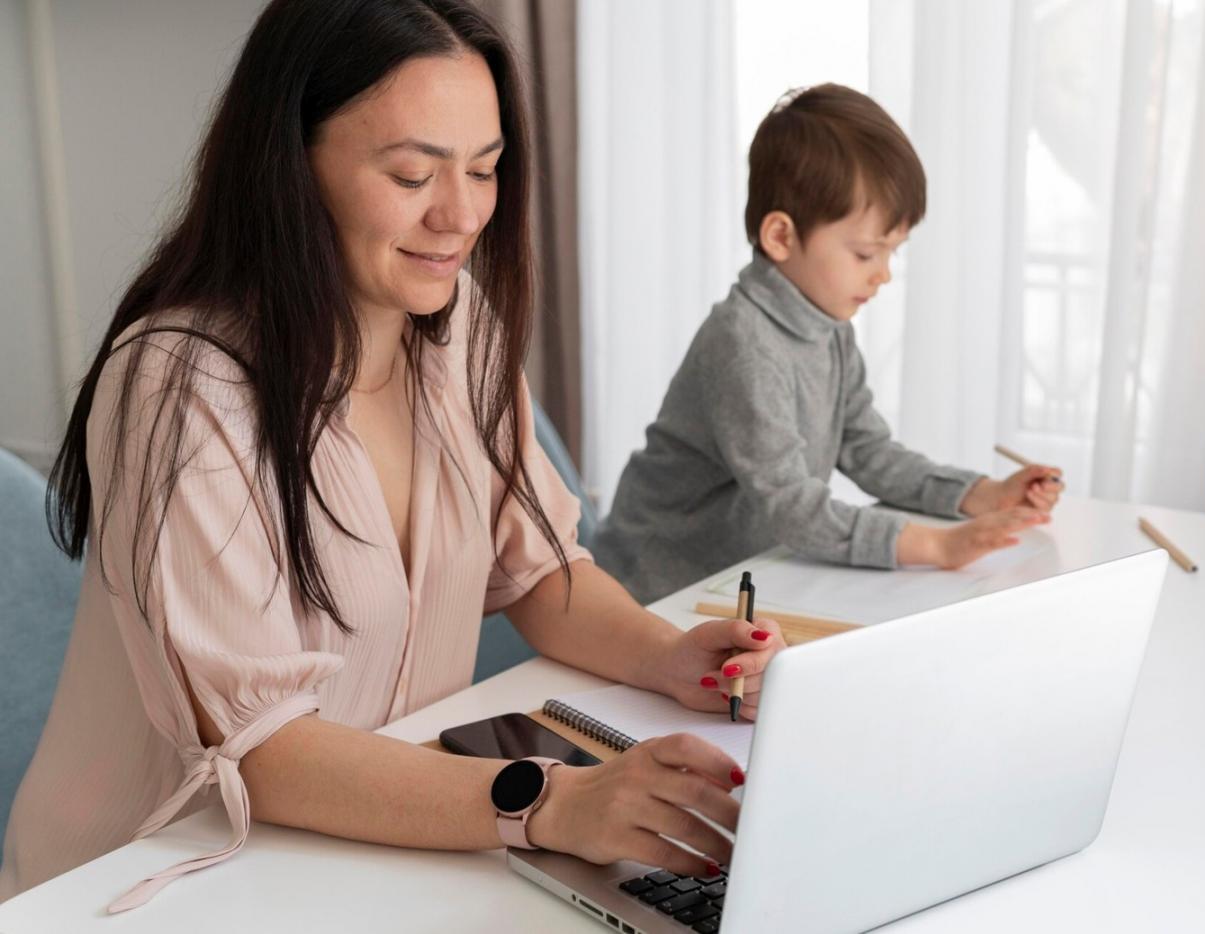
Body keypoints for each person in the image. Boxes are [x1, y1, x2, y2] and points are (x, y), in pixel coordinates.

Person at [0, 0, 784, 910]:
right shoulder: (183, 385)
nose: (461, 214)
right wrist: (554, 803)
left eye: (484, 169)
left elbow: (538, 569)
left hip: (369, 846)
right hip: (148, 883)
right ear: (291, 164)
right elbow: (263, 749)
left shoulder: (459, 330)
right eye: (413, 173)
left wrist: (671, 658)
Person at [594, 84, 1065, 604]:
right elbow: (793, 507)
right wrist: (935, 545)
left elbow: (868, 450)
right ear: (780, 237)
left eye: (892, 253)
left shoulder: (828, 327)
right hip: (651, 591)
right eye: (865, 254)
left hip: (737, 578)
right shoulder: (744, 345)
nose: (883, 274)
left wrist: (981, 494)